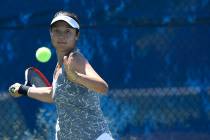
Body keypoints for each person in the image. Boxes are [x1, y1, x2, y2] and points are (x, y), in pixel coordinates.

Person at [9, 11, 114, 140]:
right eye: (57, 31)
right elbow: (52, 94)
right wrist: (23, 89)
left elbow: (103, 87)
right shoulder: (59, 66)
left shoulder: (75, 59)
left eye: (67, 31)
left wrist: (76, 77)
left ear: (77, 35)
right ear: (51, 33)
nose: (61, 36)